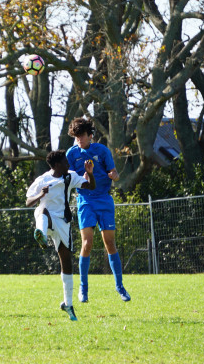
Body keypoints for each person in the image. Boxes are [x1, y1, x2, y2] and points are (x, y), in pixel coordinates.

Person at [66, 117, 131, 303]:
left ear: (90, 135)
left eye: (82, 136)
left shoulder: (102, 151)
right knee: (87, 243)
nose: (79, 139)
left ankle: (120, 287)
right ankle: (83, 289)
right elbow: (67, 178)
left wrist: (115, 176)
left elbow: (114, 174)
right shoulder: (71, 154)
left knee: (109, 243)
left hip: (104, 200)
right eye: (76, 136)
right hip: (85, 200)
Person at [26, 150, 95, 321]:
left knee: (67, 263)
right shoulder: (43, 180)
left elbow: (90, 186)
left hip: (63, 222)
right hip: (46, 217)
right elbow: (28, 201)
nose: (69, 165)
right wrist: (40, 195)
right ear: (57, 165)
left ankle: (68, 304)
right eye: (66, 162)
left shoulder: (70, 176)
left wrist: (91, 174)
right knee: (41, 210)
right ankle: (40, 234)